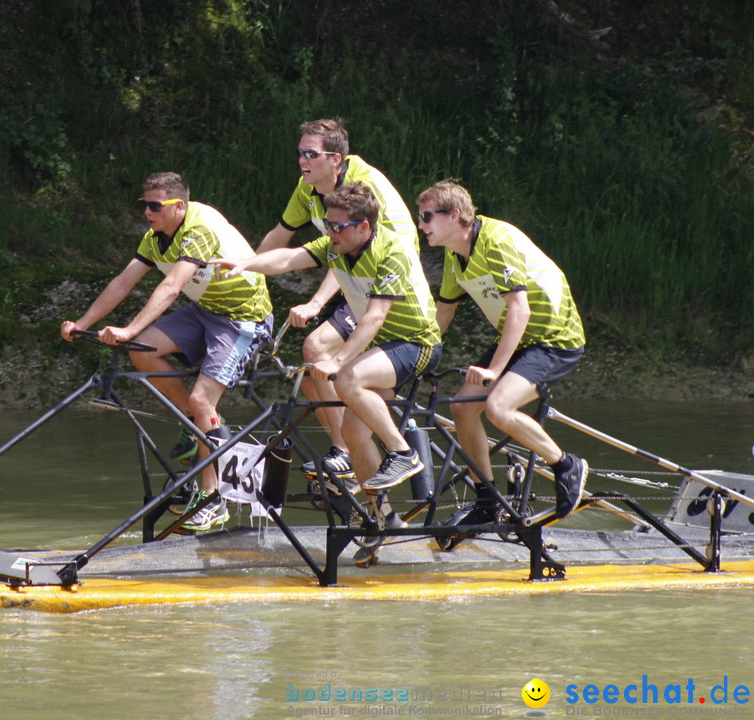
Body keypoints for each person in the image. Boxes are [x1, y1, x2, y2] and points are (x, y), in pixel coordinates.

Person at [61, 172, 273, 532]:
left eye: (154, 206)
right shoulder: (155, 237)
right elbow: (124, 282)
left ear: (178, 207)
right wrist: (83, 322)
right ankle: (194, 425)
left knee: (203, 400)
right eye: (143, 205)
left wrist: (128, 328)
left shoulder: (199, 229)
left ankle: (214, 499)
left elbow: (173, 286)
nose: (146, 211)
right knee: (142, 352)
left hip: (244, 320)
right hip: (206, 312)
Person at [216, 182, 441, 492]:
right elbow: (289, 259)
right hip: (382, 348)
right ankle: (382, 518)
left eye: (338, 226)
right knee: (352, 435)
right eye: (327, 224)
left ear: (364, 227)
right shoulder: (336, 246)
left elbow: (375, 316)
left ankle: (404, 453)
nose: (330, 231)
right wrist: (246, 264)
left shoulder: (393, 251)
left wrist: (337, 360)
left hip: (417, 343)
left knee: (346, 378)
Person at [416, 180, 587, 534]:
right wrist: (416, 356)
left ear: (456, 215)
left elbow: (519, 311)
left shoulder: (497, 241)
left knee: (498, 408)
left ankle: (566, 465)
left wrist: (494, 371)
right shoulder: (454, 255)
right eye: (421, 218)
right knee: (463, 407)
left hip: (554, 338)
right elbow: (443, 314)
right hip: (519, 336)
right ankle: (488, 503)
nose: (421, 225)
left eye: (428, 216)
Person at [257, 118, 419, 484]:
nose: (302, 160)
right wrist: (246, 272)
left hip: (385, 283)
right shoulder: (308, 187)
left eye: (310, 154)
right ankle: (353, 455)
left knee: (317, 345)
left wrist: (315, 304)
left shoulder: (363, 189)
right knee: (314, 375)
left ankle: (343, 453)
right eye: (300, 152)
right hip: (353, 276)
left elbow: (351, 253)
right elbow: (280, 236)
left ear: (336, 158)